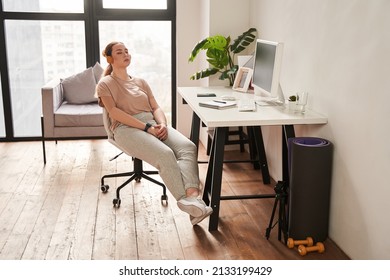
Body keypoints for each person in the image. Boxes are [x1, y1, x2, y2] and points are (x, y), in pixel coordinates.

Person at [95, 41, 212, 225]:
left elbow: (155, 107)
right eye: (119, 52)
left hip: (151, 123)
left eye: (127, 51)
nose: (126, 54)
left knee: (188, 147)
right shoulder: (105, 83)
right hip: (125, 128)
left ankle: (193, 199)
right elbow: (115, 113)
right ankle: (184, 200)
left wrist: (163, 124)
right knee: (165, 154)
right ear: (110, 58)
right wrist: (146, 128)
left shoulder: (141, 81)